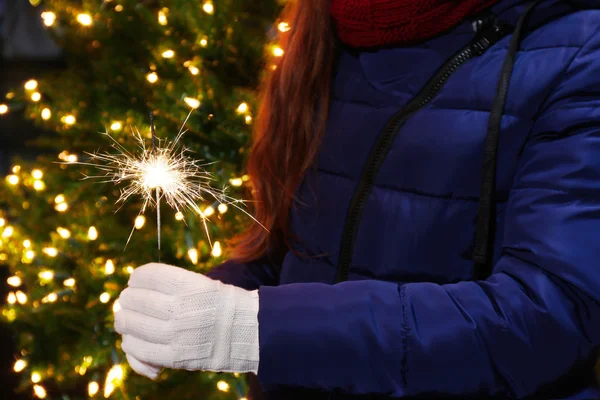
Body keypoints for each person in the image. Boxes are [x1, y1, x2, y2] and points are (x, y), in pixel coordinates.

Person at [113, 0, 600, 398]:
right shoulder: (324, 26)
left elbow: (549, 314)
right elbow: (295, 249)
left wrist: (252, 329)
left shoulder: (578, 47)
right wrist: (197, 303)